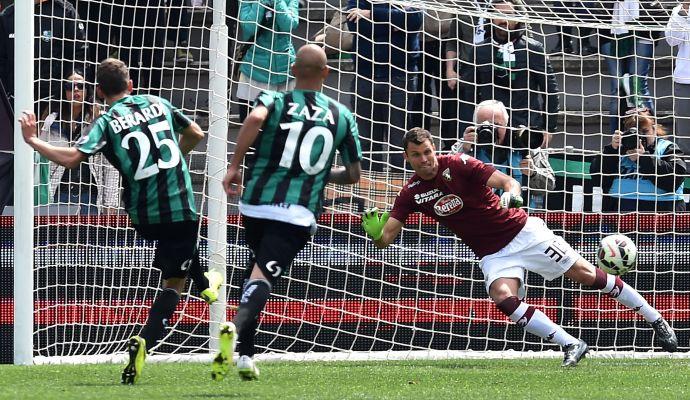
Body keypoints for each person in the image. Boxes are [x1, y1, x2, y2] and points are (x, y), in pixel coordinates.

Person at [361, 128, 678, 366]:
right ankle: (571, 345)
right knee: (502, 296)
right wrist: (376, 233)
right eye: (417, 155)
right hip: (492, 254)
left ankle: (655, 319)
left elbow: (509, 182)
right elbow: (386, 237)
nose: (425, 160)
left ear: (434, 149)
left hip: (522, 232)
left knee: (586, 274)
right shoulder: (411, 192)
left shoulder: (459, 163)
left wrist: (512, 194)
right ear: (407, 158)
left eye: (428, 152)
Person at [18, 58, 222, 385]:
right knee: (174, 282)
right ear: (131, 85)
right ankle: (149, 338)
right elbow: (196, 133)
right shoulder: (158, 102)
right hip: (178, 205)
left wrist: (32, 139)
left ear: (98, 91)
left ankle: (206, 286)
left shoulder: (105, 121)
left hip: (141, 213)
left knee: (178, 264)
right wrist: (174, 160)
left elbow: (71, 159)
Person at [218, 44, 362, 381]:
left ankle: (244, 356)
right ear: (327, 73)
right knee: (263, 277)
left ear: (293, 70)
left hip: (255, 204)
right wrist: (324, 174)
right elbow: (354, 174)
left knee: (254, 269)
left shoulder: (274, 99)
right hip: (296, 212)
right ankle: (235, 328)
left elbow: (254, 118)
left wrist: (235, 165)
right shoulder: (342, 115)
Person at [347, 0, 423, 171]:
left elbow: (414, 21)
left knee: (400, 141)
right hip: (365, 75)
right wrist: (395, 23)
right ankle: (366, 190)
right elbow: (355, 26)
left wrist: (371, 15)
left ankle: (400, 191)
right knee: (366, 140)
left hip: (400, 76)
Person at [474, 0, 560, 142]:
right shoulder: (480, 51)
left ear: (517, 17)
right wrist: (469, 127)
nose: (503, 19)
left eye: (508, 14)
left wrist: (549, 128)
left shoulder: (533, 49)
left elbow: (550, 90)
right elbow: (469, 93)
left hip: (527, 129)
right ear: (490, 17)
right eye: (498, 14)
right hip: (489, 130)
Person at [39, 71, 119, 214]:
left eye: (80, 86)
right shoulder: (51, 121)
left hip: (91, 196)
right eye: (70, 86)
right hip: (58, 194)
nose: (75, 90)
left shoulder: (100, 121)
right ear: (64, 91)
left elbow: (110, 166)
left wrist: (111, 203)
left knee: (90, 237)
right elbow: (40, 162)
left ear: (87, 89)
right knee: (57, 236)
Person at [457, 100, 555, 209]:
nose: (491, 130)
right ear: (475, 126)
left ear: (506, 125)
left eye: (496, 125)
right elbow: (446, 180)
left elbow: (549, 186)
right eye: (484, 125)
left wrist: (533, 173)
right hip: (478, 216)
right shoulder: (466, 145)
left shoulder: (525, 143)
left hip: (519, 216)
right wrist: (464, 151)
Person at [0, 0, 87, 111]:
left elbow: (79, 55)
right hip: (15, 102)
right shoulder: (8, 16)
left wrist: (67, 92)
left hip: (55, 103)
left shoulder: (65, 12)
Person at [597, 108, 686, 212]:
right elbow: (598, 178)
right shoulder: (618, 150)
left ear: (654, 129)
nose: (640, 137)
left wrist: (643, 159)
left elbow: (675, 180)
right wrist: (610, 150)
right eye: (635, 133)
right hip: (621, 216)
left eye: (645, 131)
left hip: (662, 216)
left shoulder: (667, 148)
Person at [234, 0, 299, 122]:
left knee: (284, 128)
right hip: (253, 72)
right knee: (251, 127)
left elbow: (290, 24)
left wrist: (277, 2)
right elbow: (249, 27)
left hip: (285, 71)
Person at [665, 1, 690, 154]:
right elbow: (672, 40)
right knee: (685, 138)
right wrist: (683, 12)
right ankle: (687, 175)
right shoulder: (678, 11)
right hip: (685, 81)